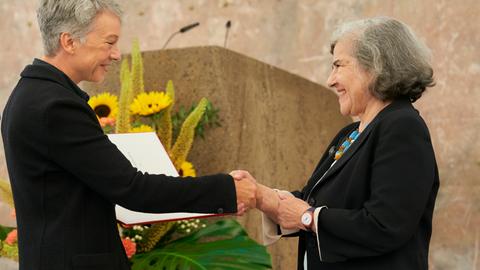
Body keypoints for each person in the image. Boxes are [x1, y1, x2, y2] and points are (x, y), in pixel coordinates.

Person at [1, 1, 256, 269]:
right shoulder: (55, 106)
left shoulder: (29, 95)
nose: (117, 55)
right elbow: (133, 189)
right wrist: (227, 189)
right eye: (109, 42)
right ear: (69, 41)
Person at [233, 17, 439, 269]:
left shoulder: (403, 127)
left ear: (375, 66)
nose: (330, 80)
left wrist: (307, 218)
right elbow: (313, 203)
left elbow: (385, 225)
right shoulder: (350, 133)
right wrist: (262, 197)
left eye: (339, 65)